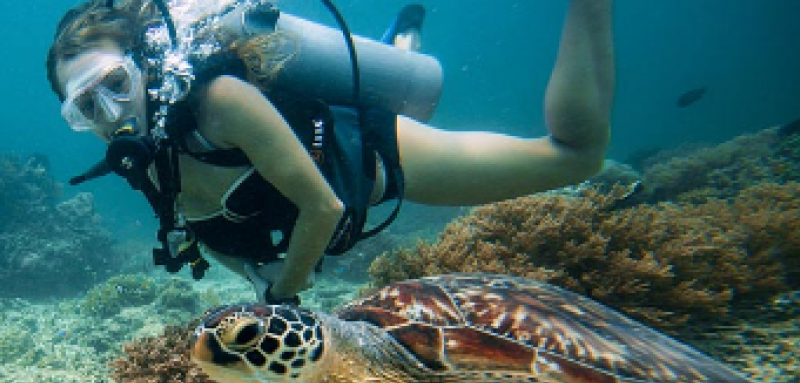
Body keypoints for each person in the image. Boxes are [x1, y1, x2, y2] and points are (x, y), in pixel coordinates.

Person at [47, 0, 614, 304]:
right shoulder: (143, 159)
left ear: (145, 67)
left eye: (115, 83)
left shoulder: (222, 103)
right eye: (85, 107)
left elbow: (324, 209)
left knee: (574, 157)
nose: (111, 113)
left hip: (381, 158)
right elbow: (196, 225)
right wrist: (252, 273)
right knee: (396, 63)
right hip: (326, 179)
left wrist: (284, 289)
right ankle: (399, 41)